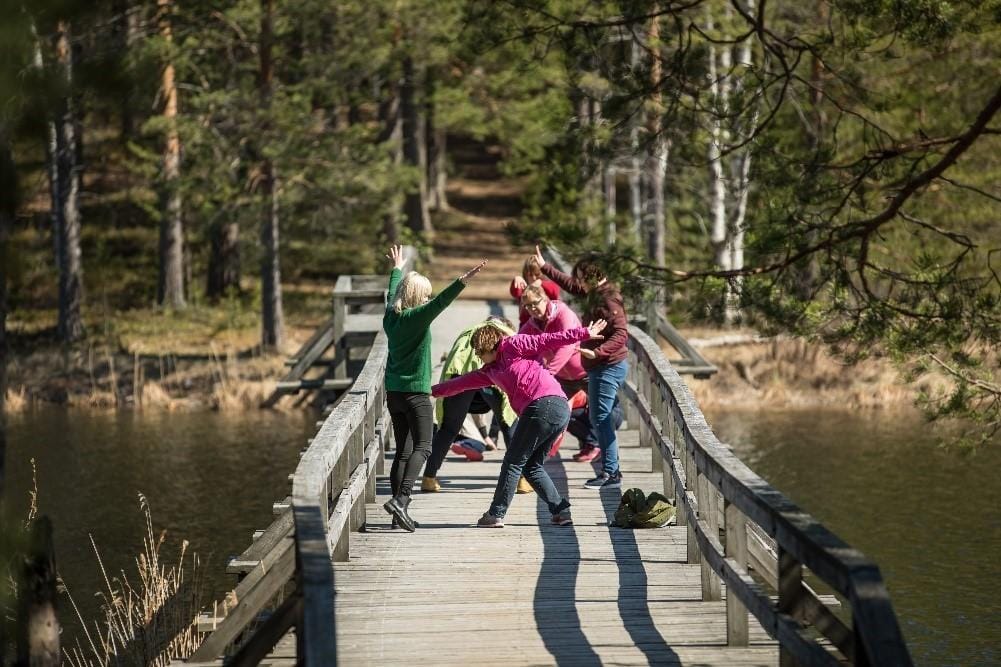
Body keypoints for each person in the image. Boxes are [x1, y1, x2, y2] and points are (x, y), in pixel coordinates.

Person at [432, 319, 608, 528]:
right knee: (531, 466)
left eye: (480, 352)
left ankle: (495, 514)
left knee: (513, 461)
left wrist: (584, 333)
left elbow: (548, 340)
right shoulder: (489, 371)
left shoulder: (513, 345)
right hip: (554, 410)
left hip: (546, 405)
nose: (478, 358)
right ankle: (561, 510)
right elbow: (460, 383)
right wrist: (432, 391)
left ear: (489, 345)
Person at [382, 245, 486, 531]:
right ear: (418, 297)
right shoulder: (418, 318)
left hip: (394, 394)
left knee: (403, 452)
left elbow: (392, 293)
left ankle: (396, 516)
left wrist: (396, 269)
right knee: (425, 447)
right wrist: (463, 280)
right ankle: (401, 501)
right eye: (425, 294)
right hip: (416, 393)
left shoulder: (390, 316)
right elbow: (442, 302)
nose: (428, 298)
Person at [535, 245, 629, 490]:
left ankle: (611, 473)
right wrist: (546, 267)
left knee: (601, 417)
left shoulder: (608, 299)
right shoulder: (594, 292)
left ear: (592, 277)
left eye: (581, 279)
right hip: (598, 365)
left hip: (608, 365)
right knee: (599, 418)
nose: (578, 284)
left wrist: (596, 352)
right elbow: (572, 286)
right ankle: (610, 470)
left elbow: (621, 334)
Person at [422, 317, 519, 493]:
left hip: (459, 378)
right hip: (490, 378)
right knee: (509, 423)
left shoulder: (467, 333)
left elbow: (452, 362)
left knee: (449, 429)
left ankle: (429, 477)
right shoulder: (506, 334)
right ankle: (521, 479)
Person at [510, 256, 561, 326]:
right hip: (527, 326)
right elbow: (515, 292)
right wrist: (516, 280)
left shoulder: (547, 286)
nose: (534, 278)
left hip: (547, 325)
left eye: (537, 274)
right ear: (525, 275)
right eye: (530, 275)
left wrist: (541, 283)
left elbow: (555, 291)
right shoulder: (524, 287)